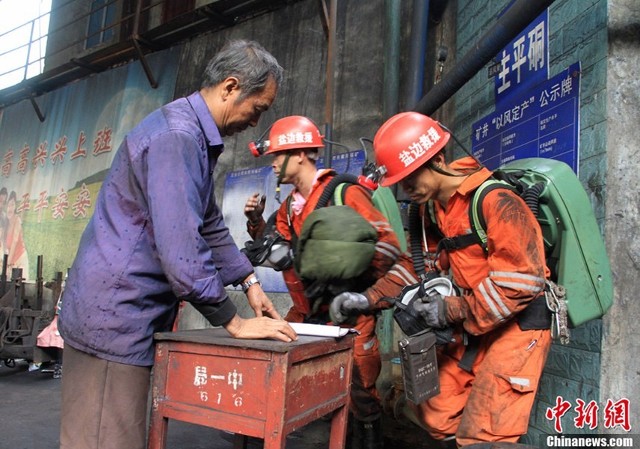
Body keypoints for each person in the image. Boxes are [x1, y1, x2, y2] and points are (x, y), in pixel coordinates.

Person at [57, 39, 297, 449]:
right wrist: (234, 323)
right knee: (106, 438)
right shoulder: (178, 138)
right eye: (256, 109)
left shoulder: (192, 136)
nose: (254, 123)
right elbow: (182, 250)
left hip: (124, 311)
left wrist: (249, 282)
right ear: (229, 87)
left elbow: (208, 223)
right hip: (115, 316)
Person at [331, 112, 552, 447]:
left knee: (485, 433)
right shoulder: (432, 210)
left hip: (516, 330)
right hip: (473, 324)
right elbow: (416, 265)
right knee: (436, 411)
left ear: (435, 159)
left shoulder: (496, 201)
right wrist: (368, 299)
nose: (405, 190)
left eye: (409, 178)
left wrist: (450, 309)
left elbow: (521, 282)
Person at [243, 115, 402, 449]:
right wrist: (257, 223)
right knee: (280, 369)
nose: (273, 165)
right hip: (306, 314)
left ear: (299, 154)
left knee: (359, 391)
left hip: (348, 315)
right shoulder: (289, 208)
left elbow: (388, 247)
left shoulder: (343, 192)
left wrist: (344, 268)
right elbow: (276, 245)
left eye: (277, 156)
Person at [4, 190, 29, 279]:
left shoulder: (17, 220)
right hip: (11, 263)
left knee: (21, 289)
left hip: (20, 260)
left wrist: (7, 265)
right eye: (8, 205)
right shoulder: (5, 224)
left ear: (15, 207)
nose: (10, 208)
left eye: (12, 205)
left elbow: (14, 242)